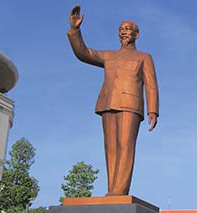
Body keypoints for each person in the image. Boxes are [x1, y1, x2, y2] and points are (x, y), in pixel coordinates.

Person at [67, 5, 159, 196]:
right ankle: (112, 191)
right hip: (107, 104)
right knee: (110, 149)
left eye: (127, 29)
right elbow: (84, 53)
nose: (123, 32)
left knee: (126, 147)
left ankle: (120, 191)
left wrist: (153, 110)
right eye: (121, 29)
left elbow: (151, 85)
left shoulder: (144, 57)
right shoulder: (109, 55)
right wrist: (75, 30)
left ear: (137, 35)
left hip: (131, 106)